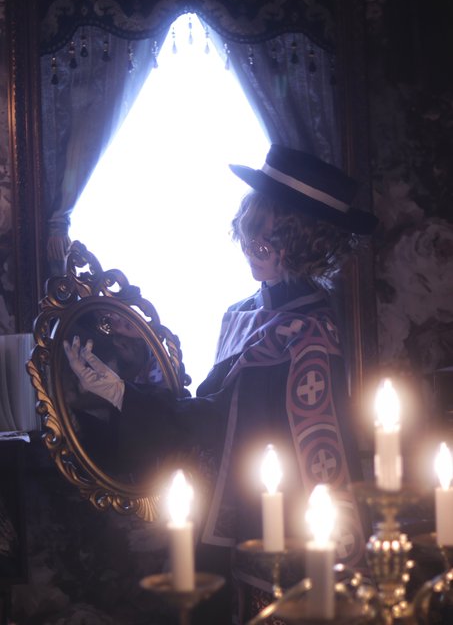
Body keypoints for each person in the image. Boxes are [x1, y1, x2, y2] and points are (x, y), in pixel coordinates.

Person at [64, 144, 377, 622]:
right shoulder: (241, 314)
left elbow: (227, 422)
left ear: (305, 247)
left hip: (277, 522)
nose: (252, 251)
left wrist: (124, 395)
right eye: (249, 237)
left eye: (266, 245)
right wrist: (126, 378)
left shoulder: (310, 331)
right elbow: (207, 406)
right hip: (219, 508)